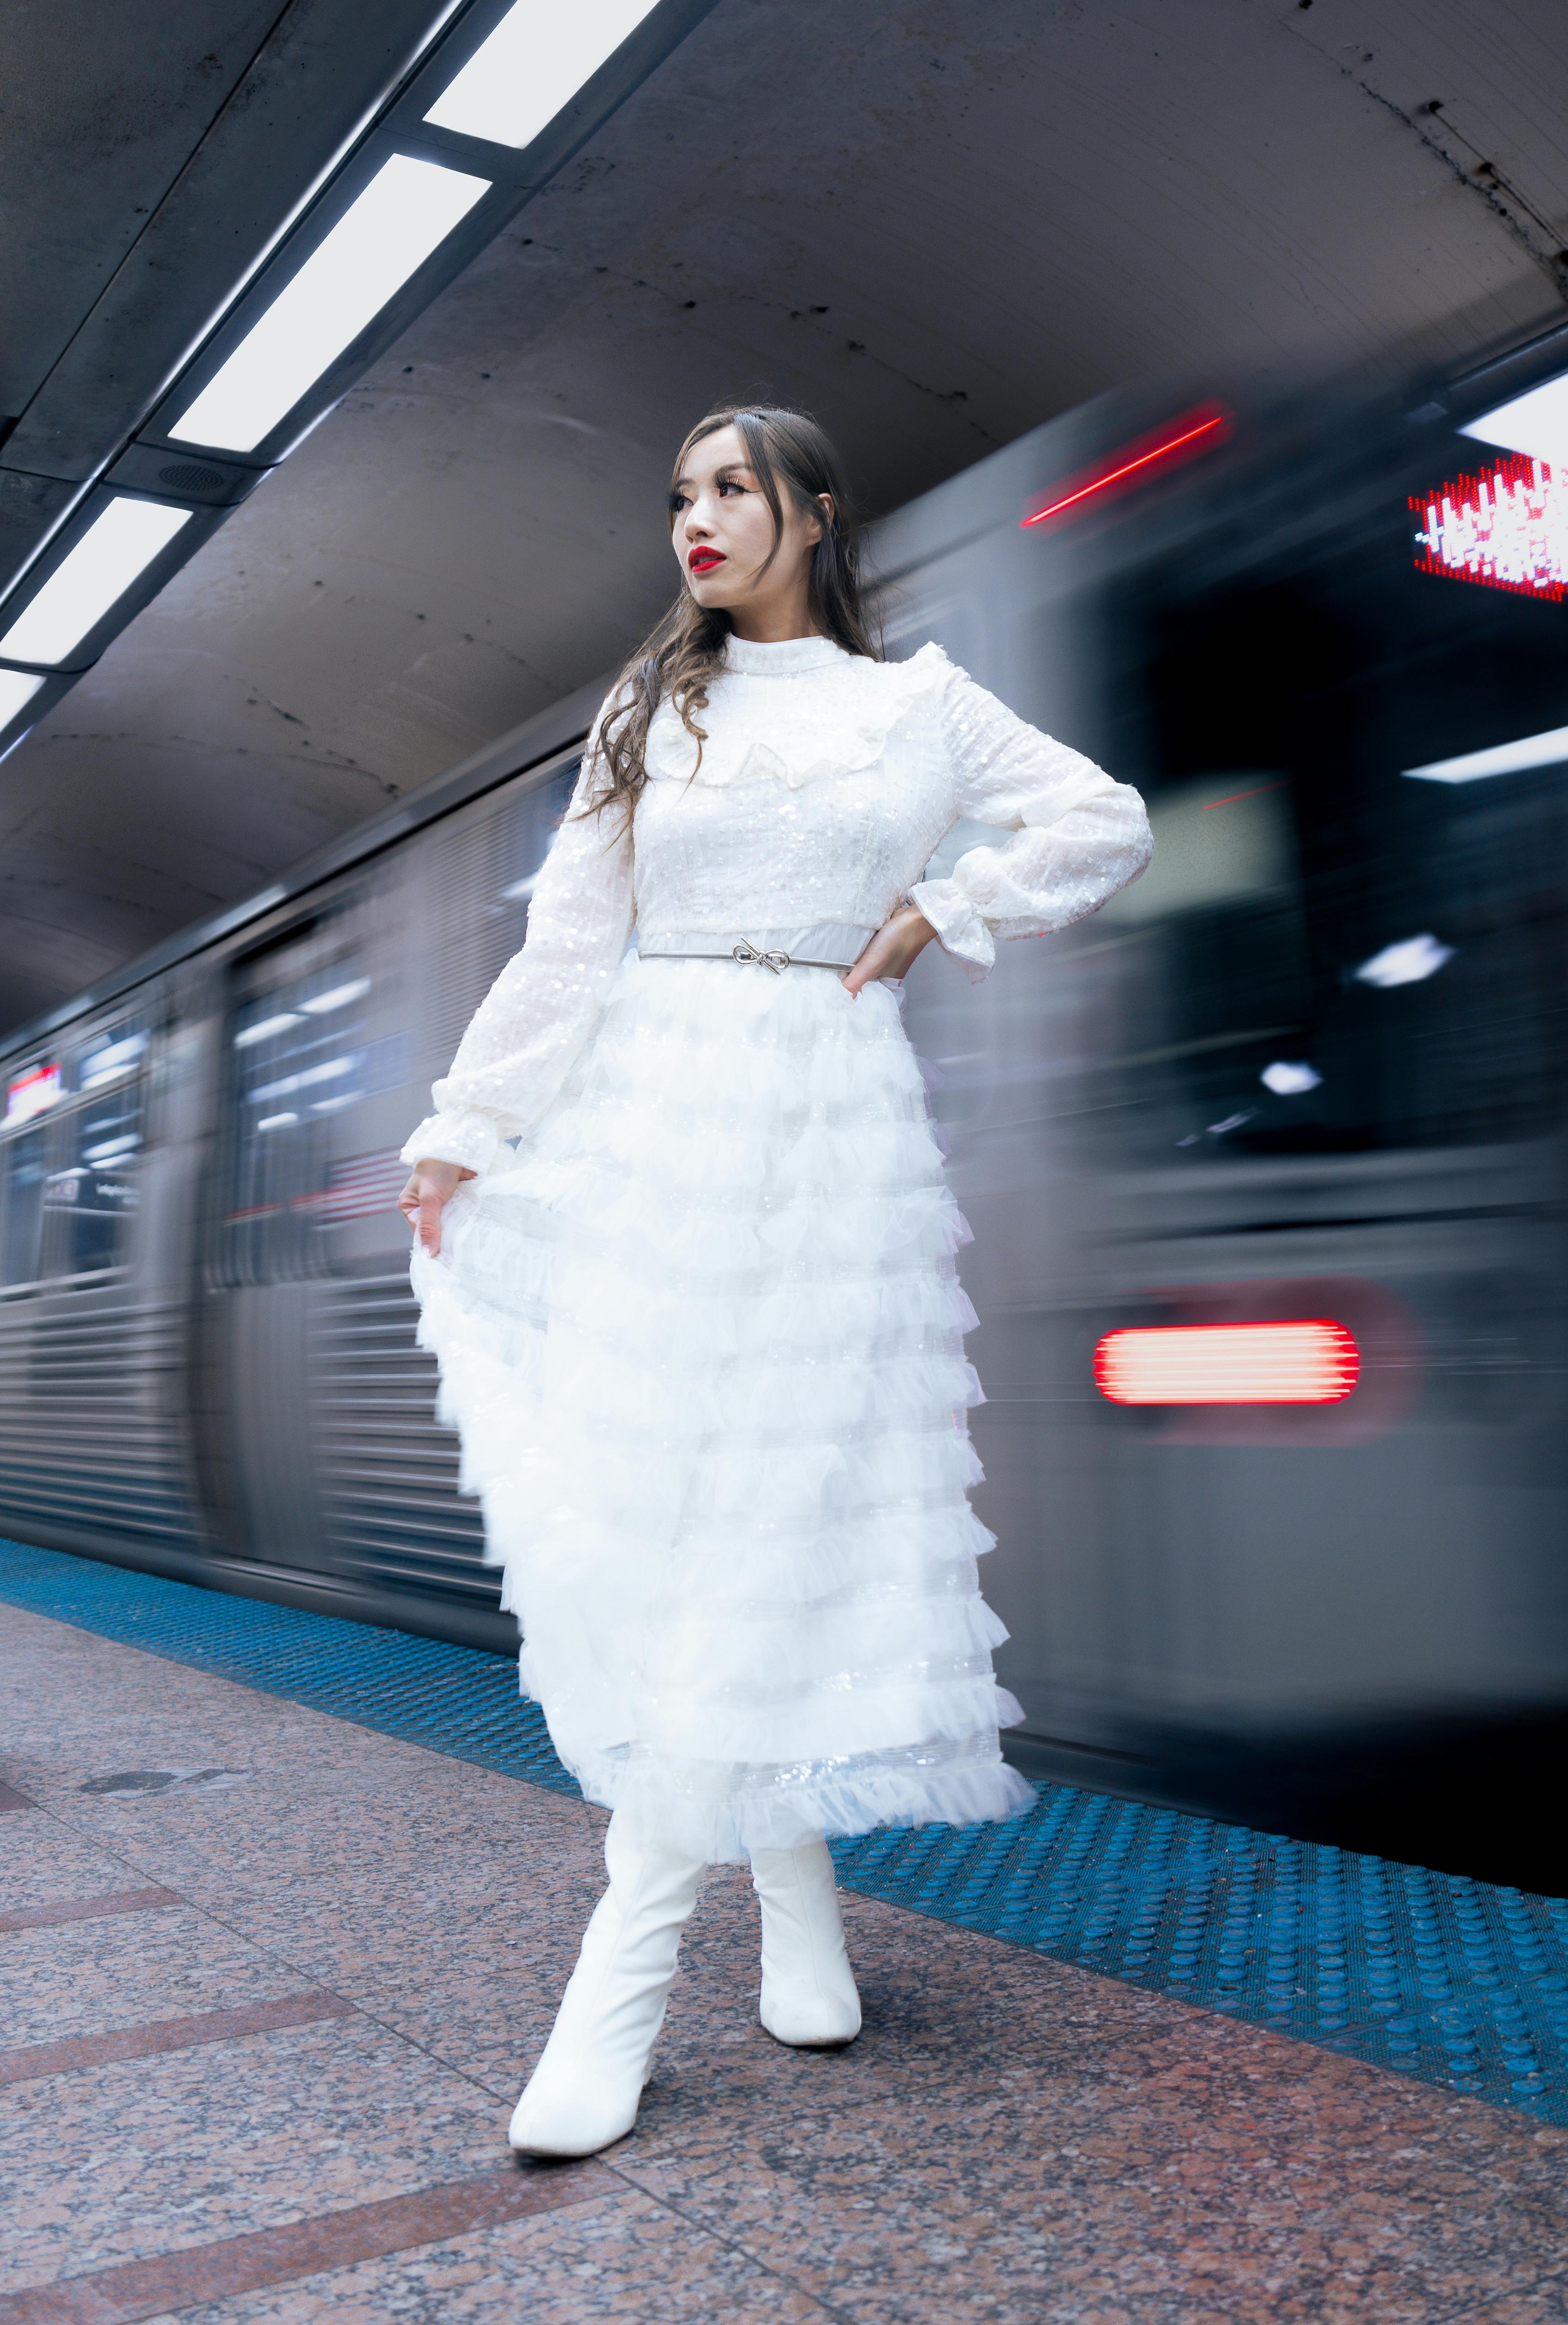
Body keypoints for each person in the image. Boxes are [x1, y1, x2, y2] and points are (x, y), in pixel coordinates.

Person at [396, 403, 1151, 2158]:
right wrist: (464, 1125)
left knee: (771, 1508)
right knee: (686, 1519)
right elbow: (570, 940)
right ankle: (791, 1921)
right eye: (677, 495)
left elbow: (1099, 821)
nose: (697, 520)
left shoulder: (917, 705)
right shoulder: (650, 706)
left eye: (732, 488)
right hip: (643, 1114)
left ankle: (630, 1978)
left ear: (812, 508)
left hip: (820, 1123)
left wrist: (938, 911)